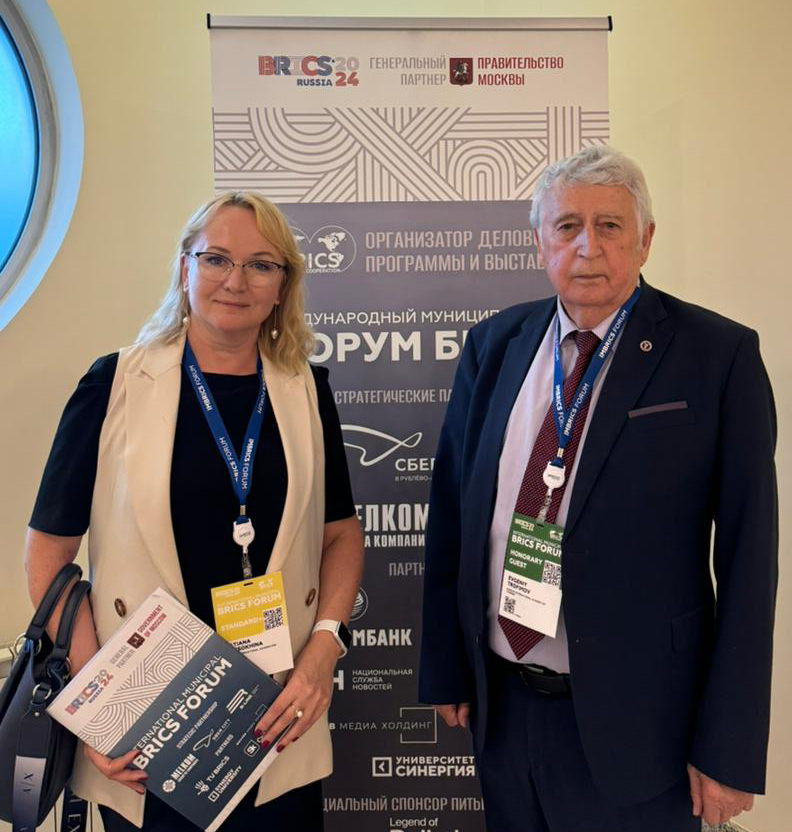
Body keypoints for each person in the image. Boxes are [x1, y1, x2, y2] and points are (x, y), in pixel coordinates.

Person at [419, 146, 777, 831]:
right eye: (567, 226)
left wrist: (729, 749)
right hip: (506, 712)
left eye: (610, 226)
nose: (588, 247)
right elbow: (453, 517)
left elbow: (749, 560)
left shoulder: (717, 355)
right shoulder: (494, 344)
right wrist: (446, 668)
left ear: (646, 239)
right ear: (539, 243)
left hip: (645, 728)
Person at [25, 192, 364, 831]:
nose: (236, 281)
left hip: (276, 715)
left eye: (260, 265)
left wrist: (325, 648)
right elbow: (49, 549)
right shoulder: (114, 384)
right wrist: (98, 705)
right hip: (147, 727)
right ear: (185, 268)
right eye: (216, 259)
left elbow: (341, 535)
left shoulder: (305, 389)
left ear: (282, 286)